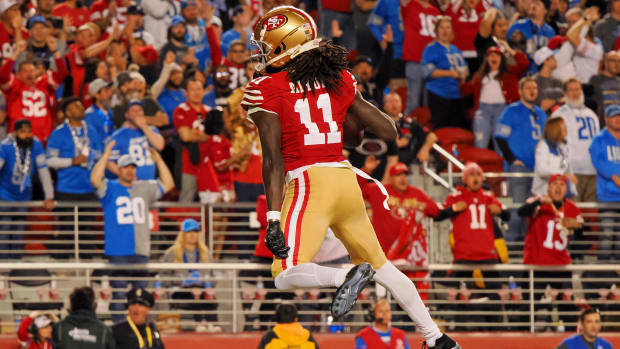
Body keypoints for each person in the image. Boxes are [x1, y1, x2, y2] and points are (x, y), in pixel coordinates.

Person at [243, 6, 459, 349]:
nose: (262, 53)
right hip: (346, 181)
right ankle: (435, 337)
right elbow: (386, 132)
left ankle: (345, 276)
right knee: (383, 266)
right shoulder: (339, 78)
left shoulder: (266, 87)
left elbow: (273, 159)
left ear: (286, 46)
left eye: (267, 46)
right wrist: (350, 114)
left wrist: (272, 219)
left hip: (309, 182)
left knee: (284, 275)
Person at [90, 141, 174, 322]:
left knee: (140, 297)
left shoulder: (144, 187)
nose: (130, 171)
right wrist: (105, 156)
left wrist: (158, 160)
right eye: (126, 167)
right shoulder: (110, 187)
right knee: (119, 296)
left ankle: (138, 331)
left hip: (140, 251)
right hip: (118, 251)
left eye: (132, 167)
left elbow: (168, 184)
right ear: (119, 170)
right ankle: (121, 331)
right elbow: (95, 179)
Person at [518, 174, 583, 325]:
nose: (558, 187)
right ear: (548, 187)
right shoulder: (538, 202)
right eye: (555, 184)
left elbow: (582, 236)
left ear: (566, 189)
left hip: (560, 265)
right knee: (528, 307)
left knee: (567, 308)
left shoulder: (572, 209)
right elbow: (521, 212)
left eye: (562, 184)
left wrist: (577, 227)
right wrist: (539, 202)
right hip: (536, 264)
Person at [47, 97, 102, 258]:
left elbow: (100, 153)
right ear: (68, 113)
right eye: (76, 106)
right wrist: (72, 161)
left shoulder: (91, 130)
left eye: (81, 105)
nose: (81, 108)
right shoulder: (58, 133)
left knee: (86, 230)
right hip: (67, 188)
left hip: (89, 187)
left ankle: (86, 268)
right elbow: (49, 160)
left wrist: (90, 157)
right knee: (66, 229)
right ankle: (61, 268)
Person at [495, 77, 547, 243]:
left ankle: (530, 245)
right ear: (520, 91)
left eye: (534, 88)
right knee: (517, 207)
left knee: (535, 210)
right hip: (520, 167)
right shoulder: (511, 110)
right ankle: (512, 245)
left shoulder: (541, 112)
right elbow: (500, 137)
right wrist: (512, 160)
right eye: (528, 88)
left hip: (539, 169)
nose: (532, 91)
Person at [357, 161, 440, 254]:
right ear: (391, 178)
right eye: (398, 175)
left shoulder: (416, 193)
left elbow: (435, 211)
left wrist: (425, 206)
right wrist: (366, 170)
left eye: (405, 175)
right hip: (384, 251)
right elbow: (357, 188)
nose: (403, 178)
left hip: (409, 253)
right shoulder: (379, 190)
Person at [0, 120, 54, 260]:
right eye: (23, 132)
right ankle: (3, 265)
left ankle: (16, 264)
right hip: (5, 195)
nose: (27, 135)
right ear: (14, 133)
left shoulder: (36, 145)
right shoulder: (5, 146)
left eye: (29, 131)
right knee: (4, 229)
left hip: (24, 196)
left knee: (19, 231)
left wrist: (49, 195)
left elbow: (43, 171)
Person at [460, 45, 529, 150]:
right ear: (487, 59)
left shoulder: (510, 73)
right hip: (483, 111)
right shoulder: (479, 76)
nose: (494, 58)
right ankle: (479, 166)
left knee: (500, 144)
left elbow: (524, 64)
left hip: (502, 110)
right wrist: (462, 79)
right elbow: (465, 91)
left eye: (497, 55)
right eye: (491, 55)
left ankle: (501, 165)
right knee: (480, 143)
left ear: (502, 59)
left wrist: (509, 49)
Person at [0, 36, 67, 143]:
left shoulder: (45, 83)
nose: (29, 74)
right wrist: (16, 53)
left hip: (43, 137)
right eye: (25, 71)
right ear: (18, 74)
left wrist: (55, 51)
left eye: (31, 70)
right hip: (19, 137)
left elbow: (63, 73)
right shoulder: (14, 85)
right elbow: (2, 75)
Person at [160, 218, 219, 332]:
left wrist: (207, 284)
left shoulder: (206, 253)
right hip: (179, 291)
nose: (192, 235)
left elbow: (213, 277)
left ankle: (212, 324)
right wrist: (180, 281)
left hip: (202, 290)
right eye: (189, 232)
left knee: (206, 295)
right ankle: (200, 323)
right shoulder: (172, 253)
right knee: (195, 293)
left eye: (195, 231)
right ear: (183, 234)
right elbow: (163, 276)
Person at [550, 78, 600, 202]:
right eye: (571, 90)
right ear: (565, 94)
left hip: (593, 170)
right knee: (573, 212)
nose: (575, 93)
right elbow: (554, 144)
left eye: (577, 89)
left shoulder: (592, 115)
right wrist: (563, 169)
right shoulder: (559, 115)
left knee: (591, 215)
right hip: (573, 171)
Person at [422, 16, 468, 129]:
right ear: (436, 30)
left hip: (457, 95)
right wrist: (450, 73)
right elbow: (427, 71)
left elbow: (465, 68)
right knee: (440, 129)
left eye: (448, 27)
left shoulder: (455, 49)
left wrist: (464, 74)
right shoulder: (431, 48)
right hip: (439, 94)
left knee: (458, 129)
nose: (445, 31)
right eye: (442, 27)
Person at [589, 104, 620, 261]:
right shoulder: (599, 139)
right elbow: (598, 161)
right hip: (607, 196)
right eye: (614, 116)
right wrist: (614, 176)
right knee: (607, 236)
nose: (617, 119)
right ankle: (603, 275)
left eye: (619, 116)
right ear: (607, 119)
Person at [173, 79, 212, 202]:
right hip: (188, 163)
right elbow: (186, 136)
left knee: (211, 198)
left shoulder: (210, 112)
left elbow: (216, 136)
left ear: (204, 91)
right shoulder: (180, 110)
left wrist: (194, 133)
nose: (196, 93)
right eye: (192, 90)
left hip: (209, 163)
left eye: (199, 89)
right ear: (186, 93)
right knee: (186, 199)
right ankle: (184, 221)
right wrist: (205, 135)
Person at [107, 101, 165, 180]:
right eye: (134, 111)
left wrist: (144, 126)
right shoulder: (118, 135)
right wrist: (125, 176)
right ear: (127, 115)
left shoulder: (152, 130)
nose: (137, 113)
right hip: (130, 184)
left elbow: (160, 145)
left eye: (140, 110)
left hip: (150, 182)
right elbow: (109, 162)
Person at [401, 0, 440, 115]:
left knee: (431, 103)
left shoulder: (436, 11)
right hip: (415, 60)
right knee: (413, 102)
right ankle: (407, 129)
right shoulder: (409, 5)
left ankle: (427, 131)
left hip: (433, 63)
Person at [533, 118, 577, 196]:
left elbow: (566, 169)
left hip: (561, 195)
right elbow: (542, 170)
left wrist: (573, 192)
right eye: (562, 125)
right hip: (544, 193)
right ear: (554, 128)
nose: (565, 128)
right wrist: (563, 174)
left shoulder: (563, 147)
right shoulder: (543, 145)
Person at [85, 78, 116, 149]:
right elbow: (94, 143)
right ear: (96, 95)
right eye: (106, 90)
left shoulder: (111, 112)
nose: (110, 94)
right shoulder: (89, 116)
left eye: (109, 90)